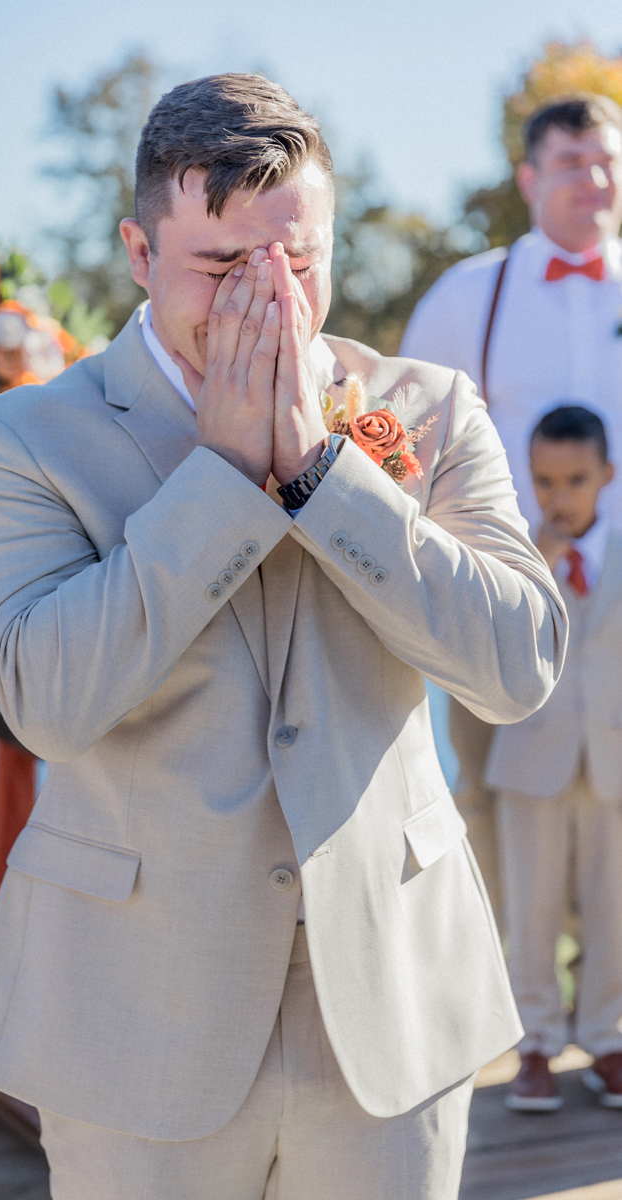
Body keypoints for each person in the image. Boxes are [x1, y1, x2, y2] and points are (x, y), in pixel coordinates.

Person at [0, 74, 565, 1199]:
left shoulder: (431, 408)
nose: (271, 297)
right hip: (134, 1021)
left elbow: (519, 668)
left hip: (390, 1010)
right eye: (224, 266)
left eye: (301, 259)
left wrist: (329, 480)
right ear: (139, 251)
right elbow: (48, 701)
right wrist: (225, 476)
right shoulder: (17, 440)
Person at [400, 95, 622, 921]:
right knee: (489, 789)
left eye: (606, 161)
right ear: (529, 179)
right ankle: (514, 1016)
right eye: (571, 163)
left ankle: (606, 1025)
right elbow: (407, 441)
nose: (594, 180)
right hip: (503, 590)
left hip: (621, 598)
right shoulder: (469, 296)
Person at [486, 405, 622, 1112]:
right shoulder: (511, 559)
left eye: (575, 479)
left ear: (606, 475)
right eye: (543, 481)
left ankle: (605, 1037)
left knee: (614, 912)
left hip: (613, 763)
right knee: (529, 910)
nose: (559, 496)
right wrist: (531, 562)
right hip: (532, 757)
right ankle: (535, 1043)